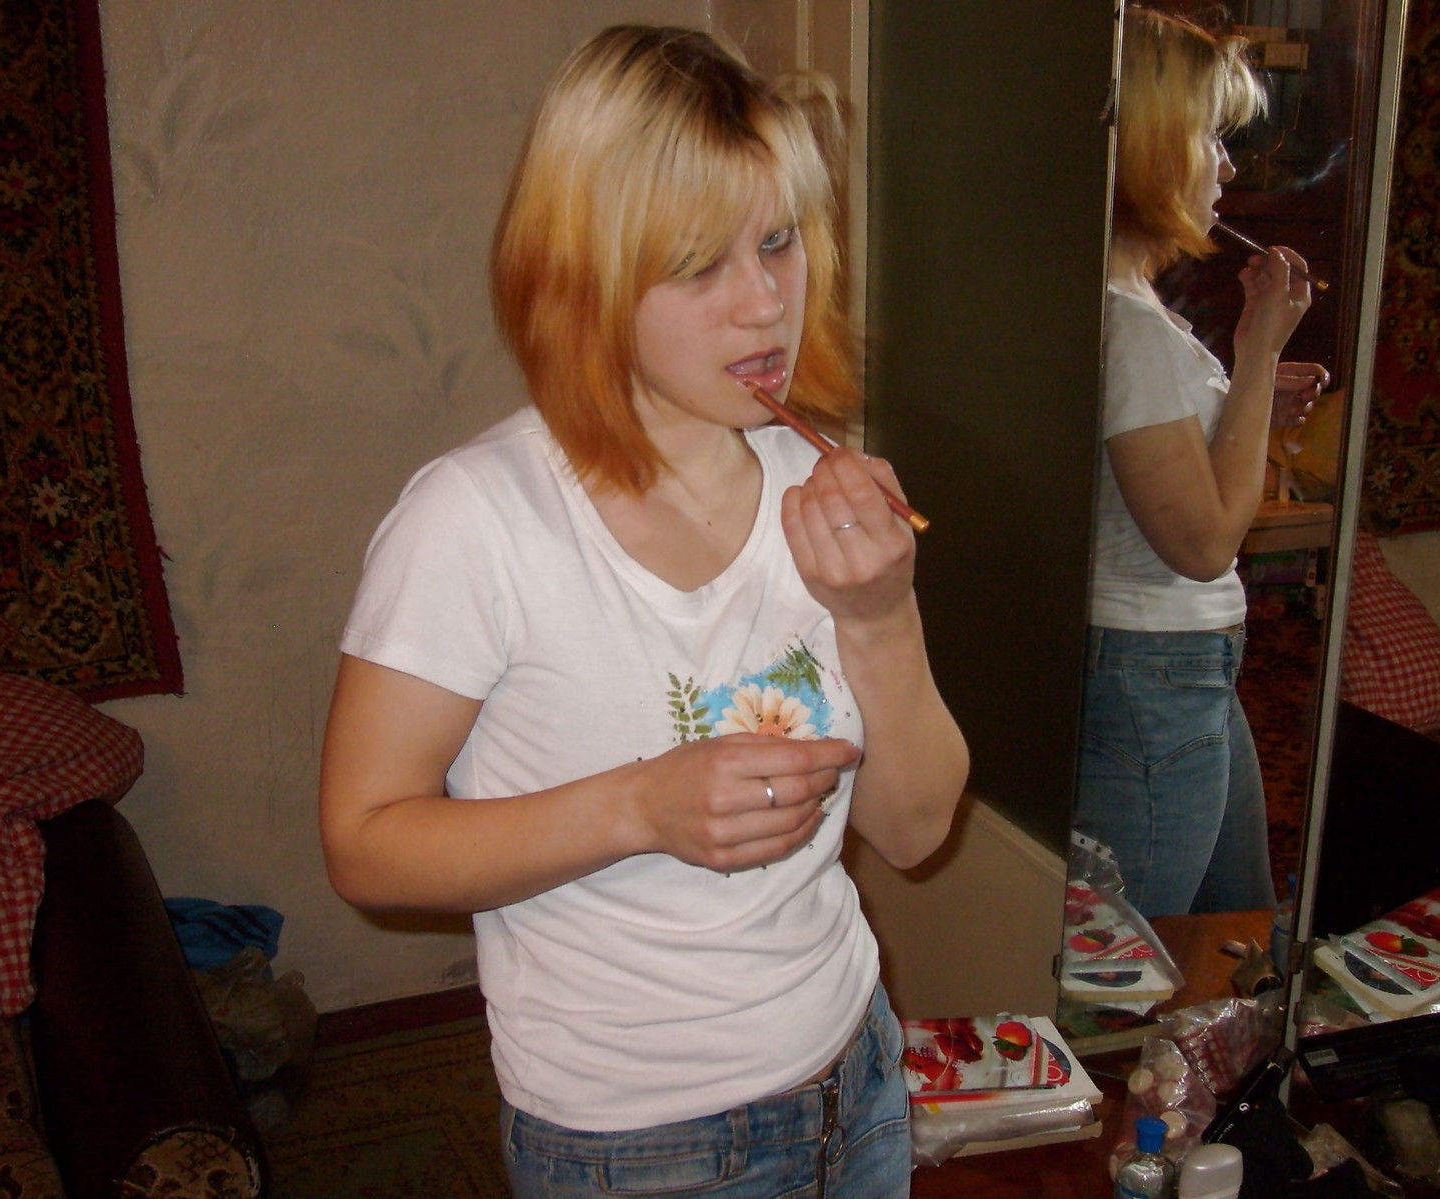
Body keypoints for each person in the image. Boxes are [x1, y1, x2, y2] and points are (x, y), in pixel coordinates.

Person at [318, 25, 968, 1198]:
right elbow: (365, 843)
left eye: (778, 240)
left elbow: (916, 831)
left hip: (857, 1074)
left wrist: (879, 616)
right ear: (584, 278)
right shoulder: (476, 520)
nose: (763, 302)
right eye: (698, 264)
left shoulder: (815, 487)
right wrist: (635, 804)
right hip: (638, 1146)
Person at [1071, 7, 1328, 918]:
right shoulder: (1128, 323)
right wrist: (1257, 352)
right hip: (1153, 672)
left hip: (1175, 667)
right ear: (1154, 146)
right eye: (1211, 136)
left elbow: (1161, 466)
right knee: (1139, 958)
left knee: (1236, 920)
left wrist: (1243, 403)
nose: (1226, 165)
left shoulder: (1119, 301)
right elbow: (1205, 542)